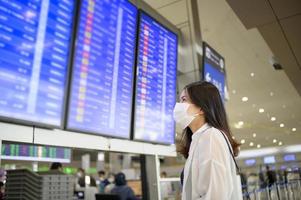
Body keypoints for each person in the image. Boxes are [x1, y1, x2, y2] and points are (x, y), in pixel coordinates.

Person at [174, 81, 242, 200]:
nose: (179, 105)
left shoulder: (210, 137)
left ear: (201, 108)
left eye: (184, 100)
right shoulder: (199, 138)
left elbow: (216, 195)